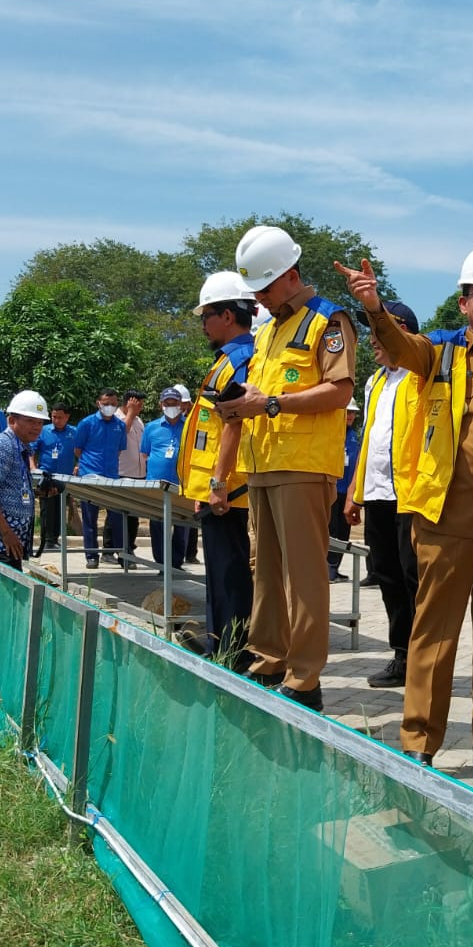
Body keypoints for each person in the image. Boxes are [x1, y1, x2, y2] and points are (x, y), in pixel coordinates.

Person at [337, 244, 473, 784]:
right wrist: (373, 308)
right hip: (446, 519)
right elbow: (397, 345)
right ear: (462, 303)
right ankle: (420, 743)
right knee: (435, 634)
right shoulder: (436, 353)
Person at [216, 227, 356, 711]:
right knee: (267, 573)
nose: (259, 298)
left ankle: (305, 677)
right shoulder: (267, 330)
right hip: (264, 464)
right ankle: (269, 657)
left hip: (303, 466)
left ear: (292, 275)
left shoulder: (328, 322)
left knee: (304, 577)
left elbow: (339, 392)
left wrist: (272, 403)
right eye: (254, 290)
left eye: (266, 288)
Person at [345, 300, 425, 689]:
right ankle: (401, 655)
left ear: (403, 332)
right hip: (376, 493)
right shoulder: (375, 381)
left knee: (415, 579)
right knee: (387, 577)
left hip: (411, 496)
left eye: (381, 330)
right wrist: (355, 491)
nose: (373, 338)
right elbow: (370, 441)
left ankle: (423, 659)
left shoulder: (422, 377)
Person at [179, 272, 258, 658]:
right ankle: (218, 642)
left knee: (230, 572)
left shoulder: (241, 359)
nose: (203, 324)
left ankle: (234, 650)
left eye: (205, 315)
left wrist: (218, 482)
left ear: (227, 315)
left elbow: (235, 423)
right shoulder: (227, 360)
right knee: (219, 569)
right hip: (217, 486)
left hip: (229, 488)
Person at [0, 390, 49, 570]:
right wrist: (6, 533)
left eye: (40, 422)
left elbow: (6, 488)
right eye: (30, 421)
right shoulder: (1, 446)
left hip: (8, 543)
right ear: (12, 420)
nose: (36, 427)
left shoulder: (19, 447)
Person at [72, 388, 128, 570]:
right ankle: (91, 556)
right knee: (90, 518)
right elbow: (78, 449)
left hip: (111, 477)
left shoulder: (119, 426)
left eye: (113, 404)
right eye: (106, 404)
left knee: (117, 518)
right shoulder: (86, 424)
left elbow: (119, 450)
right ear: (98, 403)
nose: (109, 407)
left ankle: (122, 554)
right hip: (89, 476)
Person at [141, 387, 190, 570]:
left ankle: (176, 563)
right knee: (157, 524)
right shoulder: (151, 427)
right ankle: (162, 564)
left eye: (174, 403)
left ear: (181, 405)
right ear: (161, 405)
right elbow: (145, 454)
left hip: (181, 483)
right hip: (156, 483)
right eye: (167, 403)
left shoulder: (189, 426)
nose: (171, 407)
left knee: (181, 522)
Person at [31, 403, 77, 558]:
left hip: (65, 477)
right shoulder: (43, 431)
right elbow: (31, 451)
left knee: (60, 508)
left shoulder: (74, 433)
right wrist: (33, 468)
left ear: (67, 417)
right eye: (54, 417)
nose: (56, 420)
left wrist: (77, 467)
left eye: (60, 417)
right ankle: (47, 539)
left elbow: (82, 451)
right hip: (47, 477)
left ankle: (54, 538)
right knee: (47, 509)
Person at [328, 401, 362, 582]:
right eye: (347, 412)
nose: (350, 416)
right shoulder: (331, 433)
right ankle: (328, 568)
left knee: (343, 532)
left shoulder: (354, 436)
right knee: (331, 529)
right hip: (333, 489)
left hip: (348, 493)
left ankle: (335, 568)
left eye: (353, 413)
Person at [118, 391, 148, 560]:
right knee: (118, 513)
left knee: (133, 516)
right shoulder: (117, 417)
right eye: (139, 403)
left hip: (138, 473)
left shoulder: (139, 420)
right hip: (123, 472)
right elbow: (122, 434)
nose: (141, 407)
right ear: (130, 402)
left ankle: (129, 547)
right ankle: (112, 547)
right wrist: (130, 413)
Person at [174, 383, 200, 564]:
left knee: (191, 516)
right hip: (178, 474)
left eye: (181, 403)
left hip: (193, 474)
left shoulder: (195, 417)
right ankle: (181, 554)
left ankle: (190, 553)